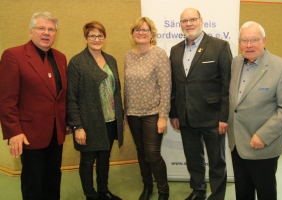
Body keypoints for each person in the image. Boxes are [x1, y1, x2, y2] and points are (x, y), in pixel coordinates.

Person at [0, 12, 67, 199]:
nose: (46, 33)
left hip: (56, 132)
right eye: (41, 28)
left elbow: (60, 96)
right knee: (33, 182)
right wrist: (13, 131)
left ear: (56, 33)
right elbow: (6, 99)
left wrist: (67, 123)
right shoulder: (13, 55)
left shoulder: (61, 58)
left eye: (51, 29)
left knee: (53, 178)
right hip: (29, 133)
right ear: (31, 31)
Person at [228, 21, 282, 200]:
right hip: (237, 142)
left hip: (262, 144)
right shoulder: (235, 62)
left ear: (264, 40)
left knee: (265, 192)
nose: (249, 45)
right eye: (244, 40)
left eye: (254, 40)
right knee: (242, 192)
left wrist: (263, 136)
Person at [169, 8, 232, 200]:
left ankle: (218, 195)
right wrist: (174, 113)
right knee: (193, 160)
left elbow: (227, 84)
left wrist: (224, 116)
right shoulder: (175, 49)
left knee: (216, 162)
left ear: (201, 21)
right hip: (186, 117)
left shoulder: (219, 46)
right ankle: (198, 191)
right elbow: (174, 85)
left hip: (212, 117)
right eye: (184, 21)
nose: (188, 23)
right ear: (180, 25)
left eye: (192, 19)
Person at [66, 21, 124, 200]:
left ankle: (103, 191)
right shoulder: (77, 62)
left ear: (104, 38)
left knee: (104, 158)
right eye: (92, 35)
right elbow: (71, 97)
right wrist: (77, 126)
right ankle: (90, 195)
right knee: (88, 160)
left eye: (100, 35)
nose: (97, 39)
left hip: (110, 120)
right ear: (85, 38)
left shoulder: (111, 60)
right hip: (89, 123)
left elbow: (116, 90)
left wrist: (121, 116)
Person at [124, 17, 171, 200]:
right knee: (141, 153)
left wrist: (163, 116)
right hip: (133, 113)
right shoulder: (129, 55)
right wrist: (125, 112)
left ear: (152, 34)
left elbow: (166, 86)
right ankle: (147, 187)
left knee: (152, 154)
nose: (141, 33)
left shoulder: (158, 54)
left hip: (153, 113)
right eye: (137, 30)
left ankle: (163, 191)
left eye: (145, 30)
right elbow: (126, 86)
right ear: (132, 34)